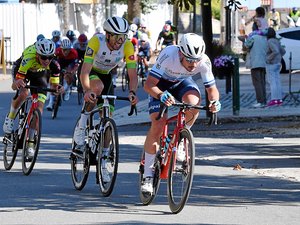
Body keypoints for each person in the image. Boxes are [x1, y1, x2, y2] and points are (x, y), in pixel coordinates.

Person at [141, 33, 221, 194]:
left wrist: (214, 102)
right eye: (189, 60)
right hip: (160, 85)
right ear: (180, 54)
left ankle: (181, 138)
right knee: (158, 124)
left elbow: (212, 89)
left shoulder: (203, 61)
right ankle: (148, 176)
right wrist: (160, 95)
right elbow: (149, 85)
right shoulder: (169, 55)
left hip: (181, 83)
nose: (193, 64)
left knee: (194, 103)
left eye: (196, 60)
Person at [73, 16, 138, 159]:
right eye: (116, 37)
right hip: (90, 71)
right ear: (107, 35)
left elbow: (133, 75)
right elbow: (84, 71)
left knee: (108, 118)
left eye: (123, 37)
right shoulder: (97, 41)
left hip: (106, 75)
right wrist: (86, 90)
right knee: (97, 87)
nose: (119, 42)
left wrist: (132, 92)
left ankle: (104, 158)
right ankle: (82, 125)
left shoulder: (127, 46)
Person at [2, 39, 63, 158]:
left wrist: (58, 89)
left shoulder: (54, 65)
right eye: (43, 57)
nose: (47, 60)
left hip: (40, 76)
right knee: (23, 93)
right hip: (23, 70)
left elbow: (54, 87)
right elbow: (14, 86)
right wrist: (17, 83)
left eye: (50, 57)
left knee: (39, 109)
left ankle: (30, 143)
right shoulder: (29, 57)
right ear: (37, 55)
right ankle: (10, 117)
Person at [47, 38, 78, 108]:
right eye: (63, 49)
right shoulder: (57, 51)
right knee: (53, 80)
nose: (65, 52)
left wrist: (72, 72)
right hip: (60, 62)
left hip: (69, 64)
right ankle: (50, 103)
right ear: (61, 49)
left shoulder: (74, 53)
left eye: (67, 50)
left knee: (69, 76)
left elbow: (76, 65)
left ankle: (66, 88)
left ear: (70, 49)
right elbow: (52, 61)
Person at [244, 30, 268, 108]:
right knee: (262, 83)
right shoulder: (264, 39)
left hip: (255, 64)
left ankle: (260, 101)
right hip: (263, 63)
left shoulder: (253, 38)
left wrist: (245, 39)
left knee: (257, 83)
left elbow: (247, 46)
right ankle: (264, 101)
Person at [265, 27, 286, 107]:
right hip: (277, 63)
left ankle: (274, 99)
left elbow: (276, 51)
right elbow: (283, 51)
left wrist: (268, 58)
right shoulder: (276, 41)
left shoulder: (269, 41)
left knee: (272, 82)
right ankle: (279, 99)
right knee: (277, 81)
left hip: (271, 64)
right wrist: (279, 57)